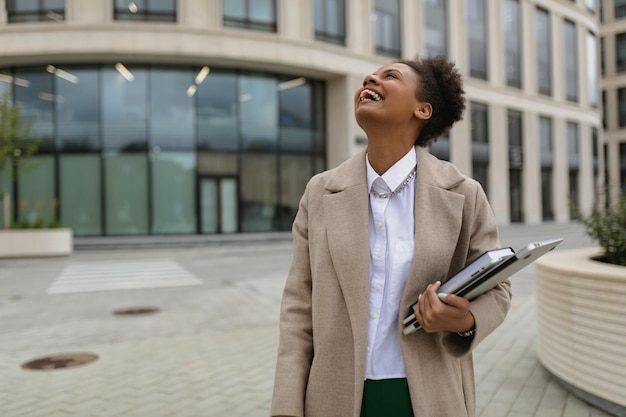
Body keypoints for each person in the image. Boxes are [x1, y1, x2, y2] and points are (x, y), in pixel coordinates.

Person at [270, 56, 512, 417]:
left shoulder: (464, 194)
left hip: (430, 396)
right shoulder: (320, 192)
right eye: (371, 75)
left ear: (423, 109)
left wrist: (460, 320)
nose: (371, 77)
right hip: (333, 397)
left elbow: (498, 290)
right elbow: (298, 310)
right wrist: (286, 408)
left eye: (391, 76)